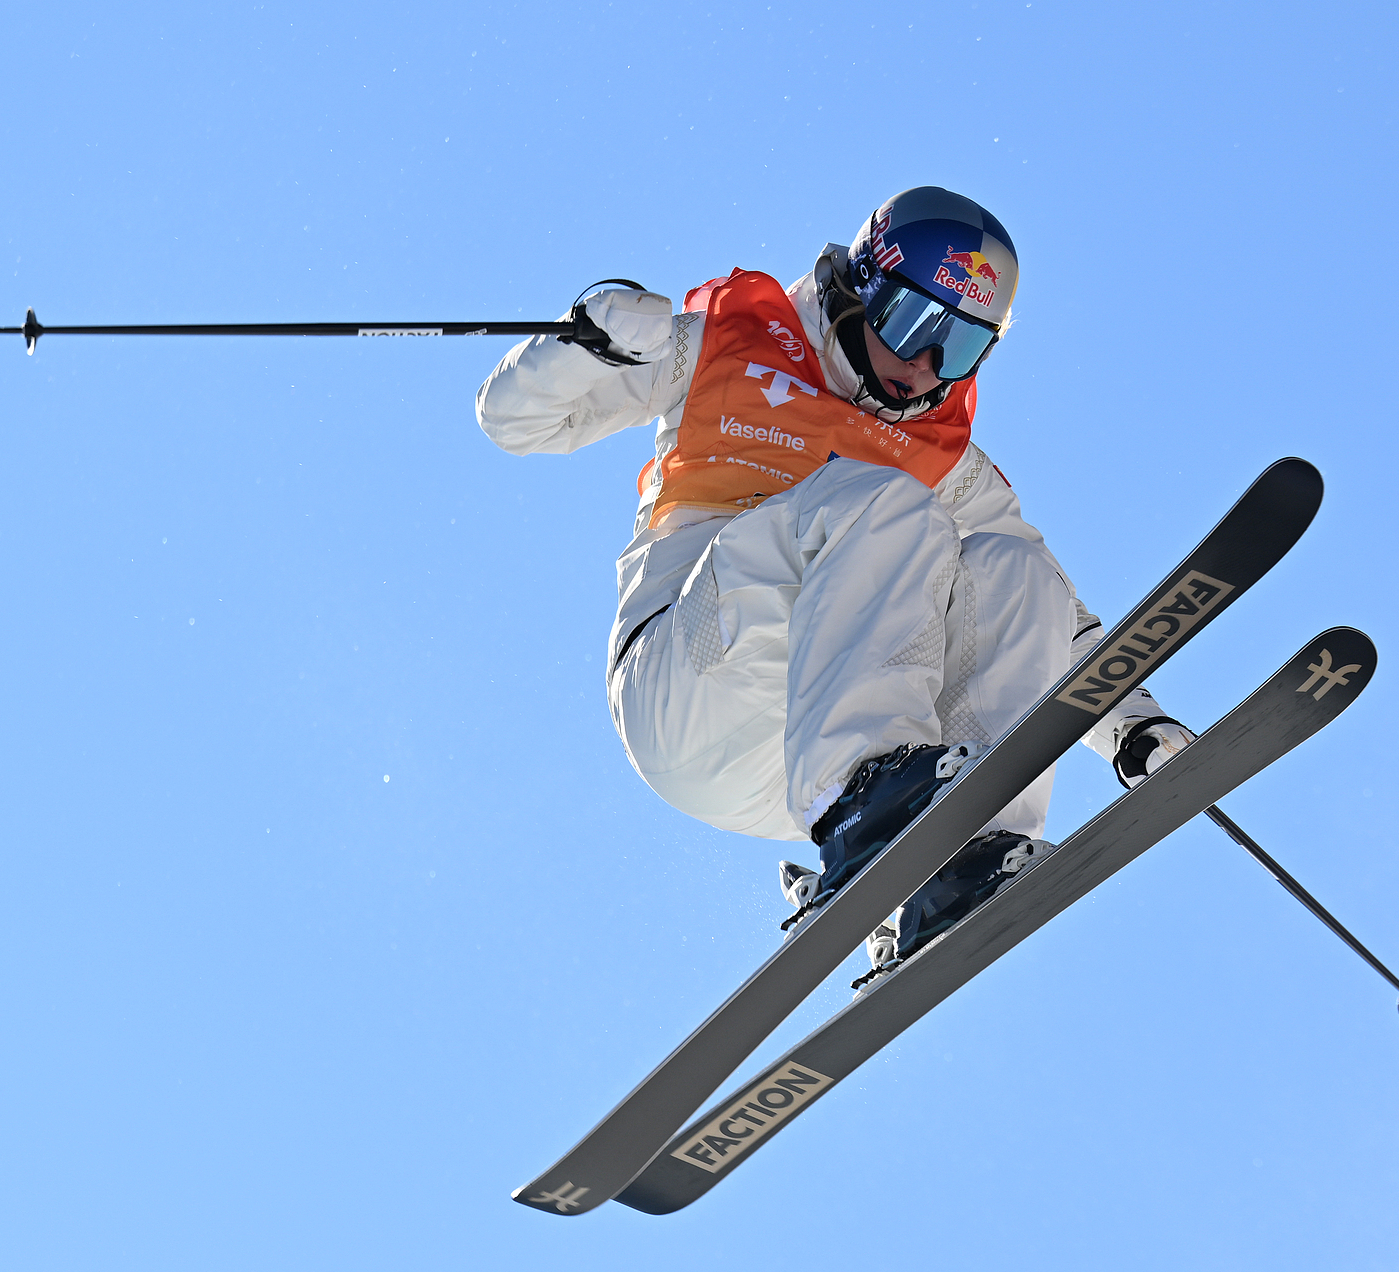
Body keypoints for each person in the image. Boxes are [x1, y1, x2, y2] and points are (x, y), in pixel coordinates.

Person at [477, 187, 1193, 987]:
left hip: (788, 757)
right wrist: (590, 345)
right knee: (886, 502)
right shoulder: (730, 343)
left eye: (958, 348)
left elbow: (1055, 616)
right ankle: (869, 809)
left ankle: (957, 865)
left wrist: (1134, 724)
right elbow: (515, 421)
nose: (926, 367)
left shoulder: (942, 450)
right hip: (688, 674)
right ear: (867, 289)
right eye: (919, 326)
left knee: (1011, 567)